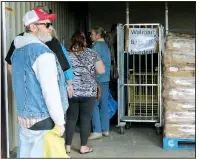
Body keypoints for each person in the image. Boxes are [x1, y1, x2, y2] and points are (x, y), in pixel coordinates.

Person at [11, 8, 68, 157]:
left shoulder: (17, 52)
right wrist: (60, 122)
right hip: (43, 119)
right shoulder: (43, 54)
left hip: (25, 118)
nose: (51, 28)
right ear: (33, 27)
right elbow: (50, 92)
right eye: (47, 25)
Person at [65, 31, 105, 154]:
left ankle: (67, 146)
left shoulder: (67, 54)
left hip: (72, 91)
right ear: (85, 41)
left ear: (72, 41)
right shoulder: (92, 53)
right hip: (88, 92)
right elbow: (101, 70)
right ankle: (83, 147)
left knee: (71, 118)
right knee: (85, 119)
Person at [89, 27, 111, 140]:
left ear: (98, 35)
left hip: (97, 79)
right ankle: (105, 129)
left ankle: (97, 130)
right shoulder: (106, 46)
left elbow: (91, 63)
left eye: (92, 34)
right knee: (104, 105)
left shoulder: (96, 46)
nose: (90, 36)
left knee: (94, 104)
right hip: (105, 79)